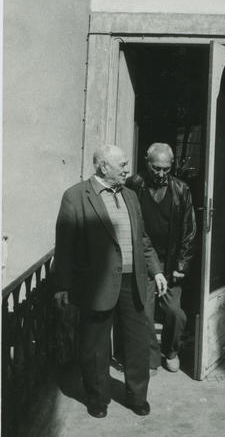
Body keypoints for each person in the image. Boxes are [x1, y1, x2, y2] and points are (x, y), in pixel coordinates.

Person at [54, 144, 167, 418]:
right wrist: (62, 286)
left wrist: (156, 270)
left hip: (133, 281)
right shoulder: (75, 196)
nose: (127, 170)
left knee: (137, 343)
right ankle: (97, 398)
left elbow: (142, 238)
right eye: (122, 165)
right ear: (103, 166)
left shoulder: (130, 195)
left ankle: (137, 396)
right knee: (95, 346)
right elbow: (65, 246)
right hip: (96, 284)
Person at [127, 143, 196, 373]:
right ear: (147, 163)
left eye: (166, 168)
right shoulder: (134, 185)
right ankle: (151, 358)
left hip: (170, 262)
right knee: (145, 314)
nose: (161, 173)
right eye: (156, 168)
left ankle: (171, 350)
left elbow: (189, 231)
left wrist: (181, 265)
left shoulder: (181, 189)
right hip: (143, 260)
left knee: (176, 313)